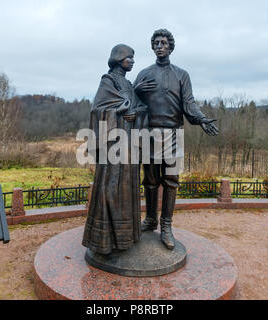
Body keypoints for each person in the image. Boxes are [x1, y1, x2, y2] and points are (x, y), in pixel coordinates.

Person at [134, 29, 218, 250]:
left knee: (171, 182)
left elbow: (189, 103)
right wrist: (135, 90)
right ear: (152, 47)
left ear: (170, 46)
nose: (160, 45)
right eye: (156, 43)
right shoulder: (143, 73)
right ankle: (150, 219)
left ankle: (167, 226)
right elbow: (130, 104)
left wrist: (201, 119)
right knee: (150, 181)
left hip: (173, 134)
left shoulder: (182, 75)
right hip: (149, 134)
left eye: (164, 42)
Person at [82, 44, 148, 255]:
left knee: (127, 188)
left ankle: (125, 237)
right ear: (119, 58)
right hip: (112, 144)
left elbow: (140, 108)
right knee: (110, 187)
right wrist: (117, 112)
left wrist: (135, 115)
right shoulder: (107, 81)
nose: (133, 61)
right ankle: (104, 239)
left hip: (128, 144)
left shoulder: (128, 84)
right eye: (130, 57)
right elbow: (97, 110)